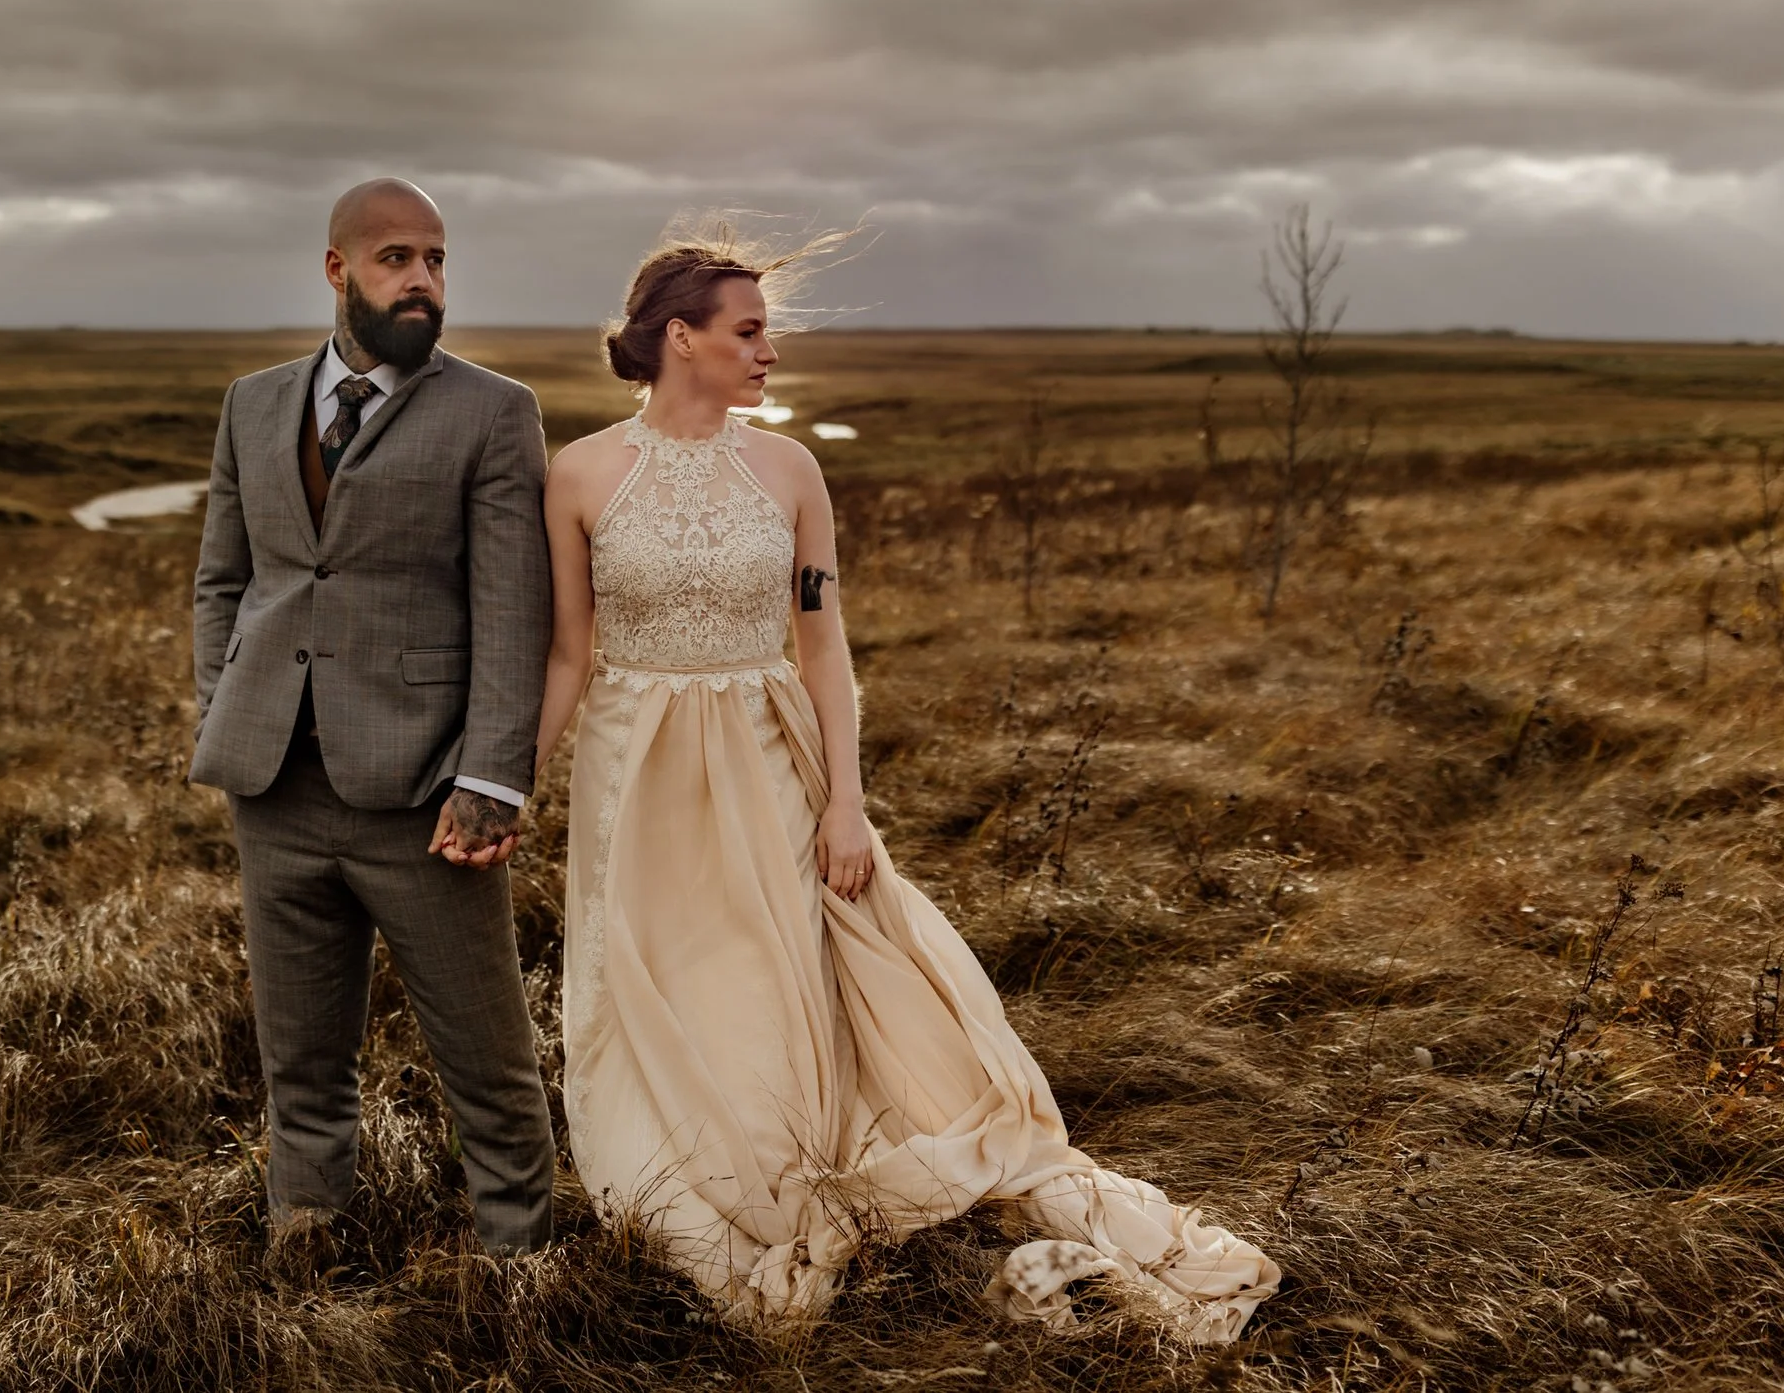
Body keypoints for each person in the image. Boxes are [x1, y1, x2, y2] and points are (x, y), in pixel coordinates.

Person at [535, 224, 1281, 1340]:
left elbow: (823, 644)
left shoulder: (787, 468)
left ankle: (820, 1152)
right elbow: (566, 655)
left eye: (767, 334)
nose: (767, 353)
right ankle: (691, 1162)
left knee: (795, 962)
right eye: (747, 332)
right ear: (679, 338)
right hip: (632, 775)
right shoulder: (580, 472)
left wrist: (846, 800)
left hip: (769, 745)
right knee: (666, 973)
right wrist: (501, 788)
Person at [189, 178, 556, 1269]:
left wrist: (491, 776)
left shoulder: (493, 411)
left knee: (485, 1061)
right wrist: (226, 705)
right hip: (274, 786)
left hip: (423, 795)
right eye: (398, 258)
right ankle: (304, 1246)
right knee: (298, 1059)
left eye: (437, 259)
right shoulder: (253, 404)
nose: (424, 281)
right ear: (337, 269)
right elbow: (224, 581)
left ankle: (519, 1267)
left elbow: (512, 611)